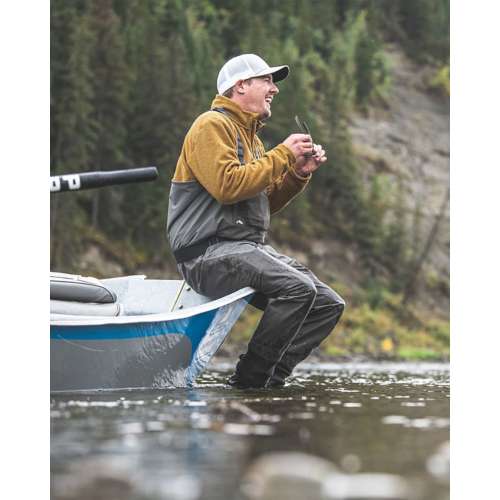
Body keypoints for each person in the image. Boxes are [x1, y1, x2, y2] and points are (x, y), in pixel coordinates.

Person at [167, 54, 345, 388]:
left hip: (241, 250)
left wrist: (296, 173)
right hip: (206, 254)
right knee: (297, 289)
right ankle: (250, 381)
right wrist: (282, 154)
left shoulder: (252, 140)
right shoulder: (211, 124)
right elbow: (227, 186)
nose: (274, 89)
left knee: (327, 304)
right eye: (266, 80)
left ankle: (270, 380)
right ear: (240, 86)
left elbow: (261, 203)